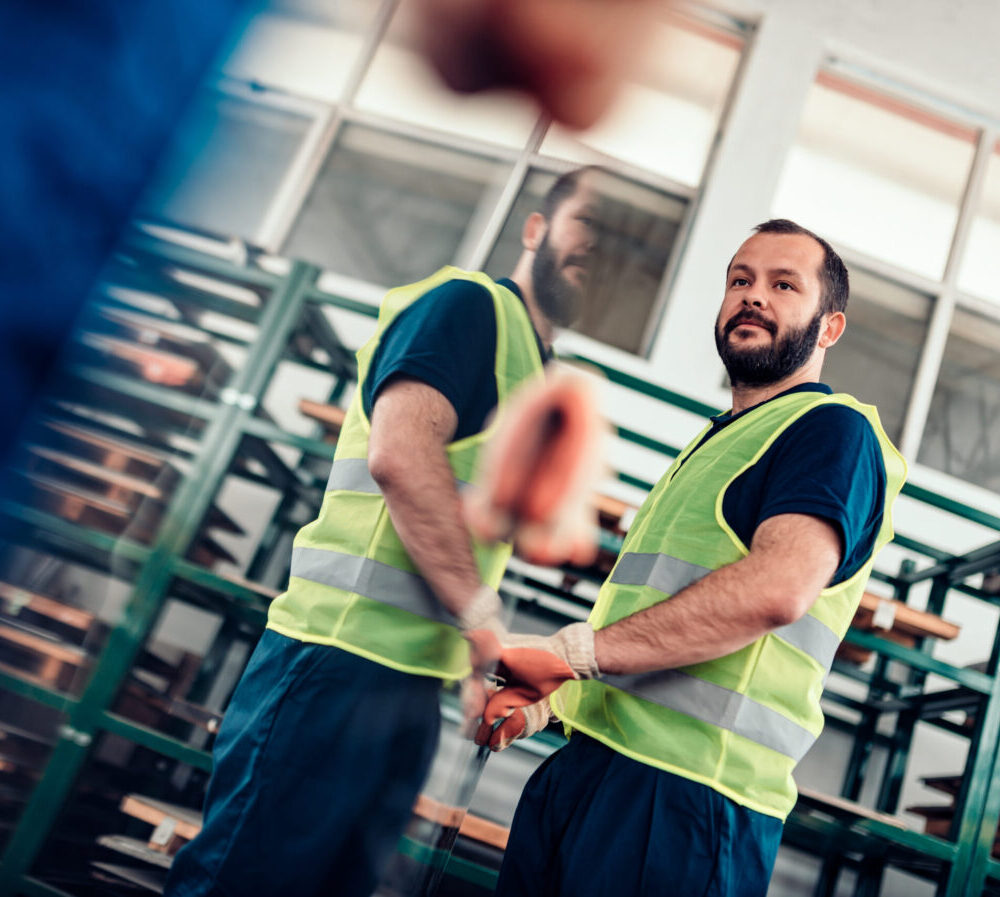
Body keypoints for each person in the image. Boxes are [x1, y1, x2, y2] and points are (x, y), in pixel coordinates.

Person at [163, 167, 613, 897]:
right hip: (333, 663)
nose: (596, 252)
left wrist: (476, 665)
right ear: (535, 229)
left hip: (409, 685)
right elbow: (401, 456)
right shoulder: (468, 308)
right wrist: (479, 620)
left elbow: (477, 534)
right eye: (585, 226)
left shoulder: (538, 370)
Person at [476, 218, 908, 897]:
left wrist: (574, 654)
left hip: (688, 798)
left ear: (829, 327)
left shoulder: (832, 432)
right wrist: (558, 701)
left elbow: (776, 589)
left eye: (783, 284)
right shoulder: (719, 440)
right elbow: (661, 619)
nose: (752, 295)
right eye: (740, 279)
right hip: (595, 766)